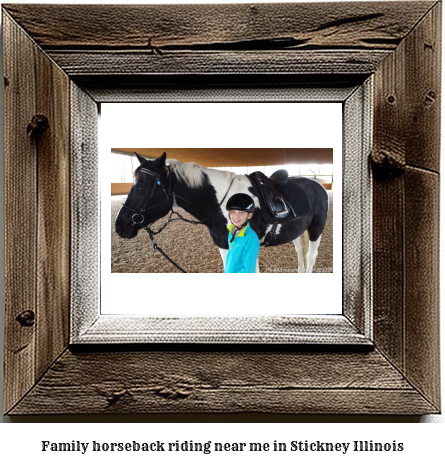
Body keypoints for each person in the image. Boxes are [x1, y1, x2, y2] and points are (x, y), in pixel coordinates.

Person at [225, 193, 260, 273]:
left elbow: (249, 269)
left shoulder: (251, 238)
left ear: (249, 215)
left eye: (241, 212)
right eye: (233, 212)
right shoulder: (231, 231)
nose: (236, 216)